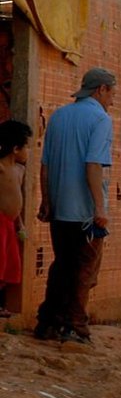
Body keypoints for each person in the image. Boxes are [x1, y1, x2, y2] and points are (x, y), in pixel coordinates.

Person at [34, 67, 116, 344]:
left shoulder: (59, 116)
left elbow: (44, 165)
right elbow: (93, 164)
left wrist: (46, 200)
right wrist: (100, 208)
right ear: (101, 90)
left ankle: (47, 323)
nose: (112, 100)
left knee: (62, 265)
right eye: (111, 93)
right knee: (84, 269)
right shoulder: (101, 119)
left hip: (59, 208)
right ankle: (75, 327)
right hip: (85, 212)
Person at [0, 120, 32, 318]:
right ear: (15, 148)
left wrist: (20, 224)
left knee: (9, 265)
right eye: (26, 146)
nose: (28, 151)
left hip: (10, 224)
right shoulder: (1, 168)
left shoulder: (20, 170)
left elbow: (18, 200)